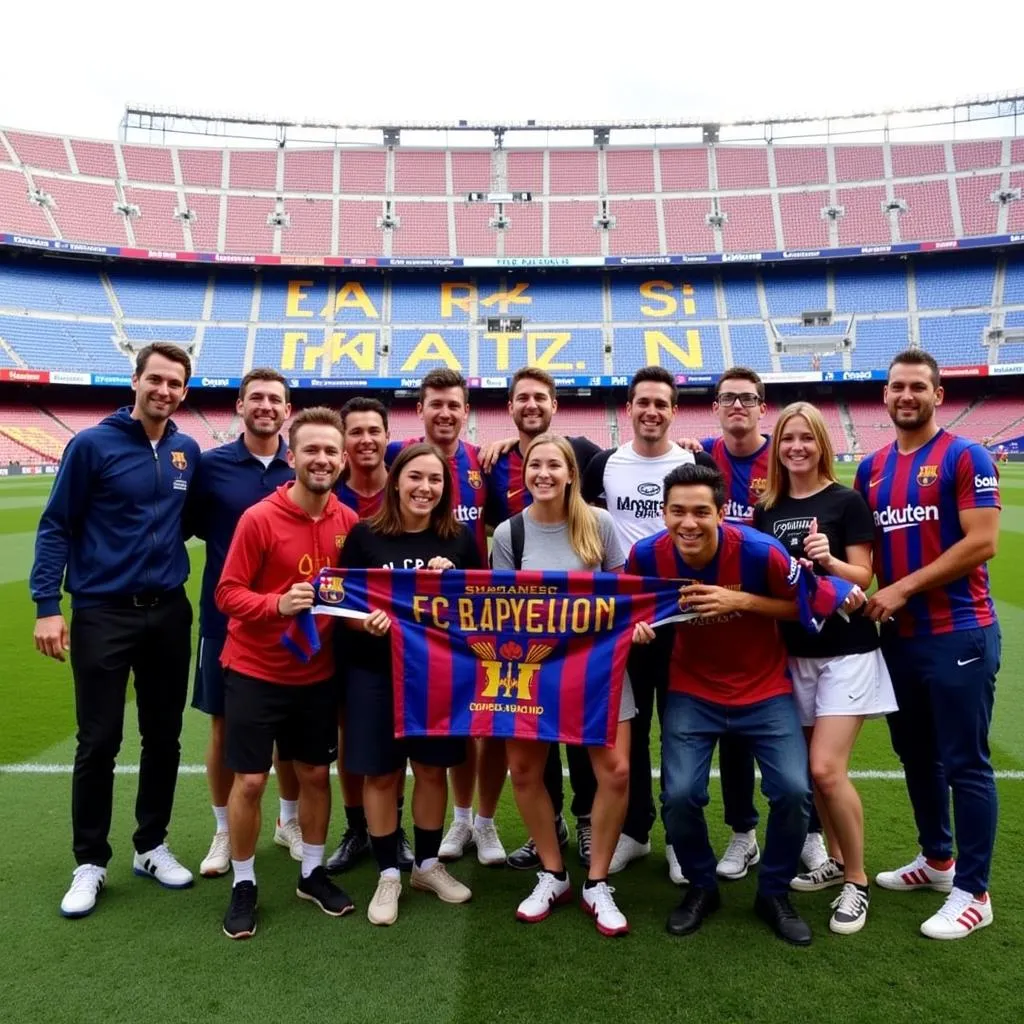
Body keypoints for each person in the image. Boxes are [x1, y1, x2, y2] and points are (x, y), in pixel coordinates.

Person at [630, 462, 841, 946]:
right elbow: (633, 610)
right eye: (677, 511)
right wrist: (638, 630)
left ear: (722, 513)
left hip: (764, 690)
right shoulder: (647, 555)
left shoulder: (760, 552)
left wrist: (740, 602)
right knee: (679, 796)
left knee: (792, 791)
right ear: (663, 514)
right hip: (693, 690)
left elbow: (811, 604)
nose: (688, 522)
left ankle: (773, 893)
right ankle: (702, 887)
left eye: (701, 511)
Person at [31, 343, 200, 918]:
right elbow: (56, 525)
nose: (164, 391)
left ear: (184, 391)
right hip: (103, 610)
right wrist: (45, 604)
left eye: (175, 384)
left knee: (164, 736)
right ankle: (90, 861)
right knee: (99, 739)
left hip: (170, 610)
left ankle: (151, 845)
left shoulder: (186, 450)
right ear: (136, 381)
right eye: (155, 379)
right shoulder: (91, 445)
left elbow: (200, 517)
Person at [857, 349, 1002, 940]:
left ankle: (974, 891)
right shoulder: (870, 468)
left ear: (938, 395)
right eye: (897, 387)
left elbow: (982, 541)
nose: (906, 396)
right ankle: (938, 861)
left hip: (958, 632)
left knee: (966, 762)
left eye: (918, 386)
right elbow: (864, 557)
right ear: (885, 396)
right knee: (917, 756)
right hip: (899, 640)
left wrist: (902, 589)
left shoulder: (966, 455)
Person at [753, 401, 897, 934]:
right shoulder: (767, 508)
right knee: (817, 775)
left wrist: (828, 560)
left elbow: (865, 576)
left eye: (806, 438)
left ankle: (856, 881)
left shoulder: (845, 501)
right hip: (793, 655)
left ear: (821, 444)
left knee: (825, 770)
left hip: (848, 653)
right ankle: (835, 860)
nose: (796, 447)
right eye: (787, 438)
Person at [215, 407, 358, 940]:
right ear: (291, 456)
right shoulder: (259, 518)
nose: (321, 460)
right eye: (311, 450)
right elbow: (226, 593)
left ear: (342, 461)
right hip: (255, 670)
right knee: (251, 781)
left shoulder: (348, 523)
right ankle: (245, 881)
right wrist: (276, 605)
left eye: (330, 451)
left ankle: (311, 871)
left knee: (317, 776)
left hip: (316, 674)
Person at [686, 367, 828, 881]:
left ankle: (808, 833)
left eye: (748, 398)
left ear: (762, 405)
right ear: (717, 407)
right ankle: (743, 833)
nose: (738, 407)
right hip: (721, 611)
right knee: (731, 731)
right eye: (728, 399)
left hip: (778, 603)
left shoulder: (783, 457)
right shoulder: (700, 456)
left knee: (796, 726)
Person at [492, 433, 633, 936]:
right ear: (526, 473)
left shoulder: (600, 524)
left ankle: (597, 882)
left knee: (615, 772)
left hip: (598, 667)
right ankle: (554, 873)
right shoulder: (510, 533)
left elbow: (624, 594)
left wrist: (632, 625)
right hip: (532, 670)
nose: (544, 473)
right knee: (526, 772)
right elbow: (499, 611)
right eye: (535, 465)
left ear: (572, 473)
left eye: (554, 465)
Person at [338, 442, 479, 926]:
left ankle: (426, 864)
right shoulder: (364, 536)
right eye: (415, 478)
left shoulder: (459, 540)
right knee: (380, 773)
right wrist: (365, 623)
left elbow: (479, 612)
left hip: (438, 674)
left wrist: (455, 578)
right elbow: (342, 606)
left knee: (433, 769)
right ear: (395, 481)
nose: (425, 488)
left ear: (446, 488)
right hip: (375, 671)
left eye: (435, 480)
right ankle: (387, 873)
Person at [581, 365, 711, 884]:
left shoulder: (692, 462)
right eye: (643, 402)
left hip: (684, 617)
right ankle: (635, 833)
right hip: (626, 621)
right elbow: (588, 532)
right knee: (627, 731)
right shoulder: (604, 465)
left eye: (662, 403)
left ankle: (681, 836)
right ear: (628, 408)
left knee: (682, 729)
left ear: (674, 411)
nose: (652, 411)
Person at [480, 366, 601, 872]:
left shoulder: (589, 453)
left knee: (586, 737)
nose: (531, 405)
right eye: (521, 398)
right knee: (535, 739)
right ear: (509, 407)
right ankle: (548, 828)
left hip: (586, 641)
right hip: (529, 641)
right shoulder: (495, 465)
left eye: (540, 398)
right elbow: (491, 531)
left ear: (555, 405)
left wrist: (694, 448)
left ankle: (591, 822)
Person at [385, 368, 507, 867]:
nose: (445, 412)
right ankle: (452, 822)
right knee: (433, 726)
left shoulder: (483, 460)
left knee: (482, 722)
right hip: (413, 619)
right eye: (435, 403)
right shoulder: (399, 457)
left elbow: (506, 520)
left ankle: (483, 821)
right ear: (420, 410)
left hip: (473, 610)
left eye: (454, 404)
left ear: (466, 411)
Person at [186, 368, 304, 879]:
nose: (265, 406)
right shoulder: (210, 468)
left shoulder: (299, 466)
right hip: (226, 619)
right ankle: (221, 829)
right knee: (223, 726)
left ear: (287, 410)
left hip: (296, 623)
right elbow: (183, 528)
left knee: (293, 733)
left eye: (275, 399)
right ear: (239, 406)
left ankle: (290, 821)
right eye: (256, 397)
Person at [325, 397, 412, 875]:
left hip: (398, 648)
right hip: (344, 638)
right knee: (348, 733)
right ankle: (357, 827)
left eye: (373, 431)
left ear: (387, 436)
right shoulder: (330, 492)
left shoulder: (402, 492)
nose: (365, 440)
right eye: (354, 432)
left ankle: (392, 827)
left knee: (391, 734)